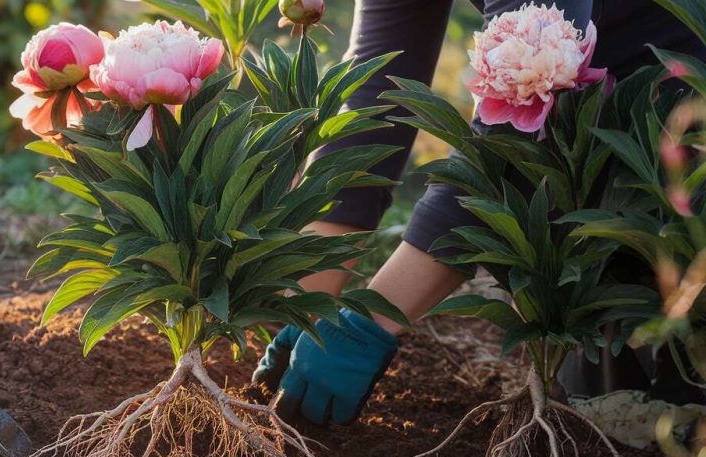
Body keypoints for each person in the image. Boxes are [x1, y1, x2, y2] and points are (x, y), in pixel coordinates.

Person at [253, 0, 706, 425]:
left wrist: (367, 327)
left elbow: (511, 136)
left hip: (681, 145)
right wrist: (305, 306)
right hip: (597, 159)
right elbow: (375, 94)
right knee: (605, 414)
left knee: (676, 417)